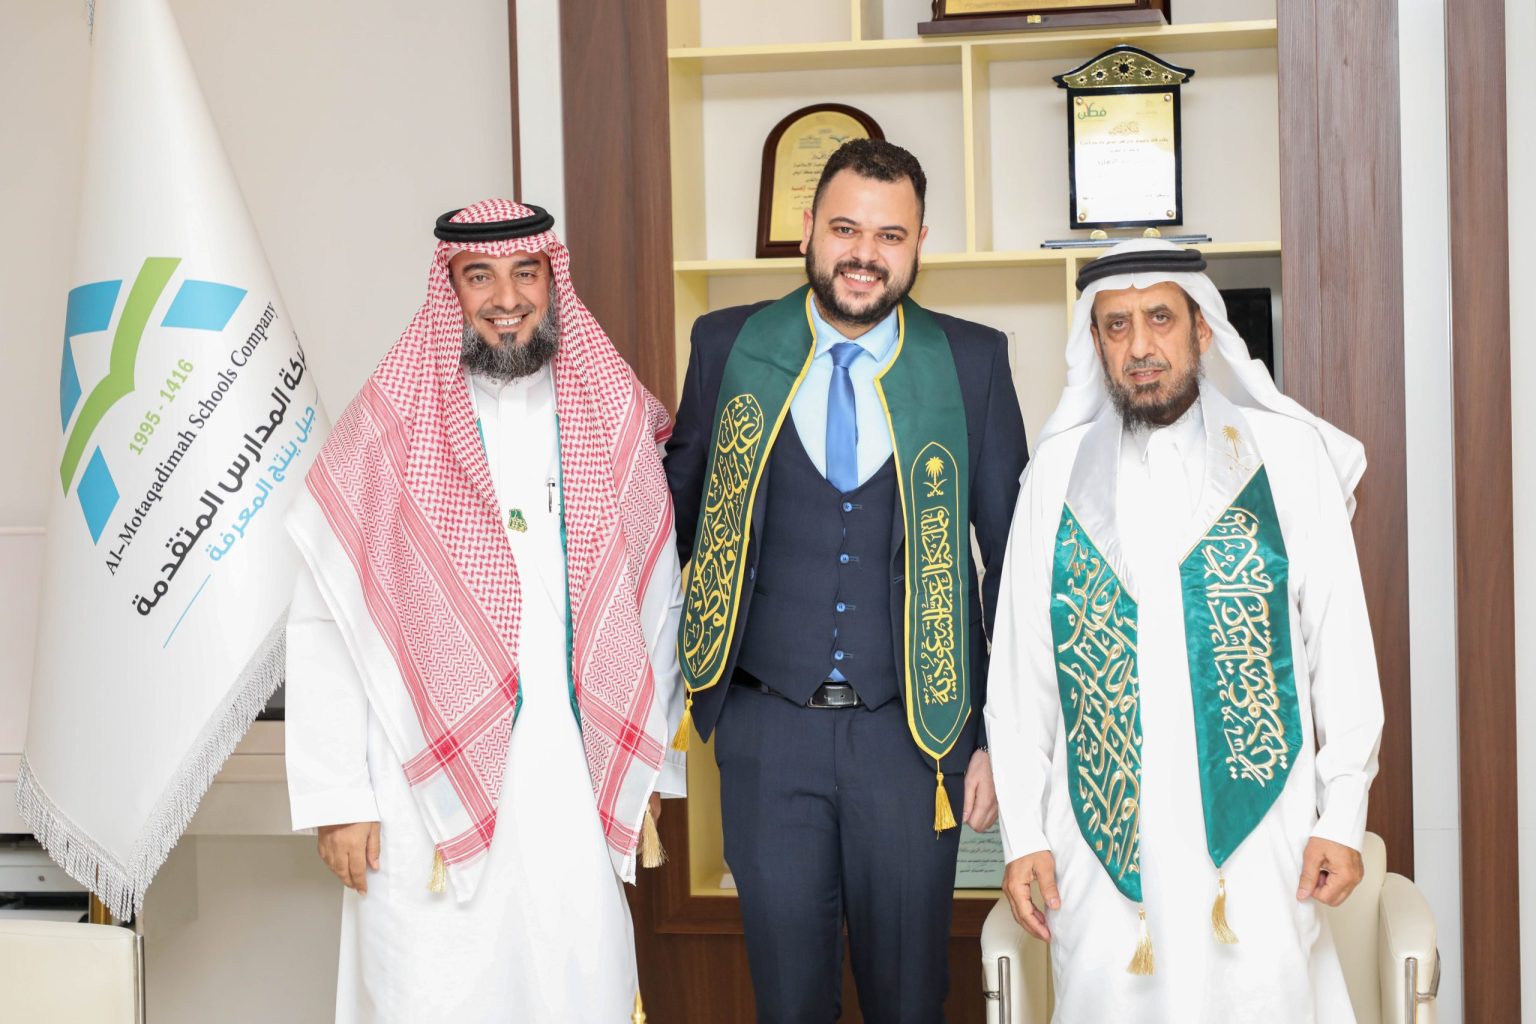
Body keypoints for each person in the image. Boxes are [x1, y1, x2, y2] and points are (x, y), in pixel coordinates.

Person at [283, 199, 685, 1022]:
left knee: (575, 981)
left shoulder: (608, 413)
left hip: (571, 768)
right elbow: (326, 620)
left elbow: (656, 600)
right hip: (417, 784)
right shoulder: (387, 431)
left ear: (551, 280)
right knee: (435, 986)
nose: (507, 298)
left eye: (525, 273)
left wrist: (651, 766)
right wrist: (338, 798)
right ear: (450, 288)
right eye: (480, 277)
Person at [664, 139, 1029, 1023]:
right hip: (765, 732)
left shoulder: (972, 362)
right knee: (788, 1001)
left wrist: (997, 738)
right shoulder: (728, 345)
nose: (865, 254)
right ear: (807, 231)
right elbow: (668, 519)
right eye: (845, 229)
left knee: (910, 997)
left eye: (890, 235)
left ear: (919, 244)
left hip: (915, 741)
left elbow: (1013, 564)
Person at [986, 240, 1386, 1022]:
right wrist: (1024, 834)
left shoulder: (1286, 457)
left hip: (1260, 839)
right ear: (1095, 341)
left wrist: (1342, 813)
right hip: (1101, 846)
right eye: (1117, 325)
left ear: (1203, 329)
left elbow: (1340, 651)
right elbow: (1021, 678)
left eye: (1160, 319)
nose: (1140, 345)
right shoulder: (1057, 475)